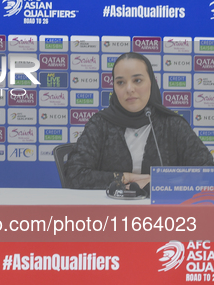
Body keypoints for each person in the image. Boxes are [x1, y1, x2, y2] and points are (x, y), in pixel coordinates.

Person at [65, 52, 213, 190]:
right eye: (121, 82)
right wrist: (124, 178)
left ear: (151, 83)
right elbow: (73, 175)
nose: (129, 89)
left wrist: (159, 183)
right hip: (109, 214)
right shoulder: (100, 124)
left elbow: (207, 172)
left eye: (137, 80)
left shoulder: (173, 125)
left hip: (162, 215)